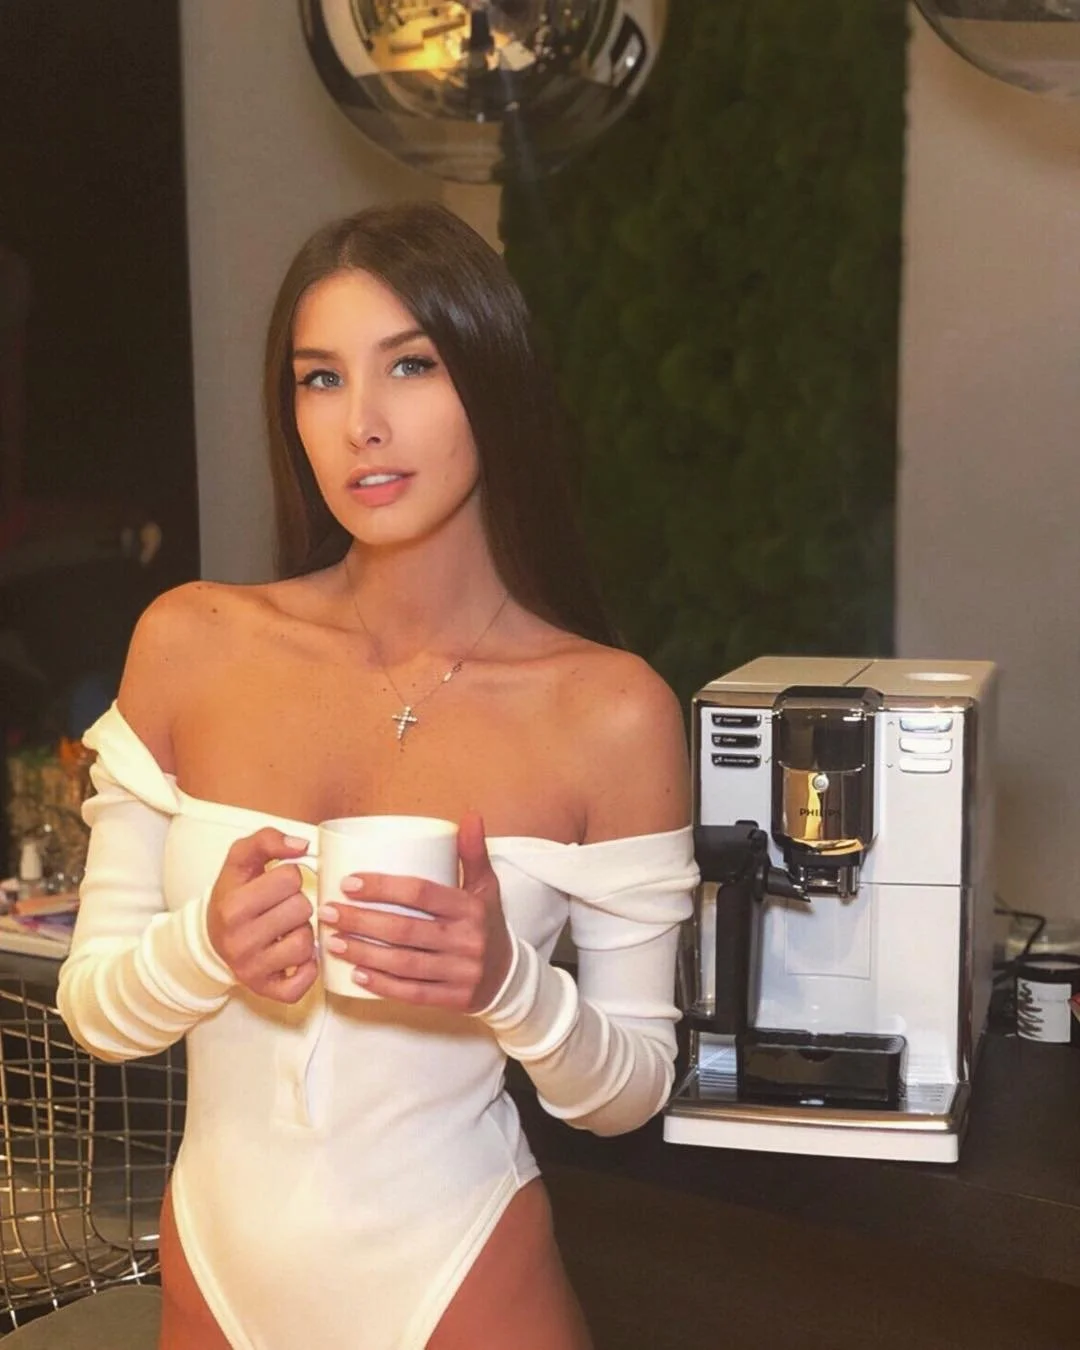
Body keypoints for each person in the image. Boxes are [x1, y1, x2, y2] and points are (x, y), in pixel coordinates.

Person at [55, 201, 698, 1350]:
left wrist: (507, 984)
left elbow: (630, 1090)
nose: (363, 424)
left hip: (460, 1279)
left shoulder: (611, 712)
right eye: (321, 378)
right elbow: (95, 1012)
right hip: (219, 1277)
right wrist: (204, 949)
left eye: (412, 365)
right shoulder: (192, 642)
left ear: (492, 381)